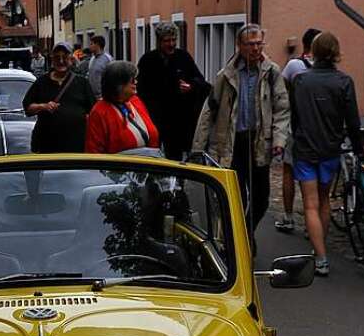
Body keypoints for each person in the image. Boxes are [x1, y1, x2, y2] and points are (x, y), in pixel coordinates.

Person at [191, 24, 290, 236]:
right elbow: (209, 110)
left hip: (259, 142)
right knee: (236, 196)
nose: (255, 49)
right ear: (239, 46)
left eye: (258, 43)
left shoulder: (272, 73)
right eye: (250, 44)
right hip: (232, 143)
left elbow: (282, 109)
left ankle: (245, 233)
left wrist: (279, 141)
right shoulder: (226, 75)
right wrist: (198, 147)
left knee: (261, 198)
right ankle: (239, 240)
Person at [291, 31, 362, 278]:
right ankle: (320, 249)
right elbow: (353, 121)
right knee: (324, 200)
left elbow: (294, 117)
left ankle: (320, 257)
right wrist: (358, 145)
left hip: (305, 148)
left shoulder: (300, 80)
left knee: (309, 204)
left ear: (314, 50)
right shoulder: (344, 82)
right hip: (330, 149)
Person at [137, 21, 209, 161]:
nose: (171, 44)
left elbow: (202, 83)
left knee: (175, 160)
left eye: (174, 40)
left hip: (179, 122)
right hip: (155, 121)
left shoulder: (183, 57)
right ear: (158, 41)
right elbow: (141, 92)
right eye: (167, 41)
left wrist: (191, 86)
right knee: (153, 159)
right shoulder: (148, 61)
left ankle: (177, 183)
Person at [275, 27, 321, 234]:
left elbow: (282, 92)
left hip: (296, 125)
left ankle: (288, 216)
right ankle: (315, 221)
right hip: (319, 129)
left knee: (289, 170)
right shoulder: (326, 67)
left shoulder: (295, 65)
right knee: (315, 175)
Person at [22, 41, 95, 153]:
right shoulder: (41, 82)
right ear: (52, 60)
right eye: (57, 58)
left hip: (76, 146)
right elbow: (27, 108)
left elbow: (93, 113)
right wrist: (43, 106)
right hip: (46, 146)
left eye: (64, 57)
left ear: (71, 59)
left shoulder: (82, 83)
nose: (61, 61)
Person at [85, 61, 160, 154]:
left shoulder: (135, 101)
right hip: (121, 166)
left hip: (148, 164)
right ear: (119, 85)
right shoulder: (99, 112)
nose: (136, 82)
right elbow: (94, 151)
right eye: (132, 80)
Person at [87, 34, 113, 100]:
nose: (89, 46)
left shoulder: (108, 59)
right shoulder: (92, 59)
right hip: (91, 96)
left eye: (91, 44)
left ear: (97, 45)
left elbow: (112, 76)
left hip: (102, 97)